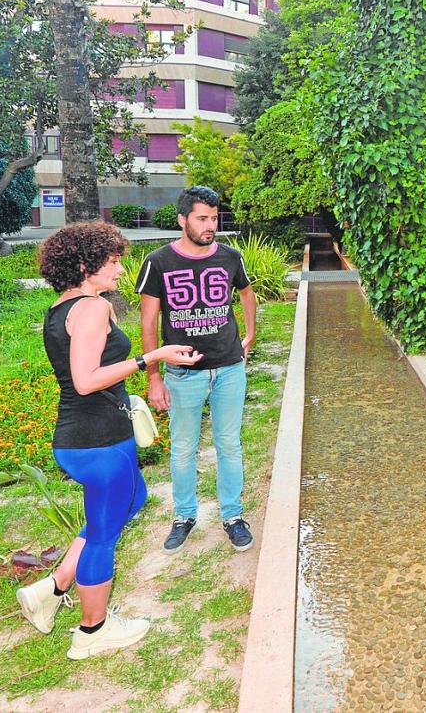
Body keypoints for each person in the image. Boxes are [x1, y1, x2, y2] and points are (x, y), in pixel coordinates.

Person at [17, 221, 202, 659]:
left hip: (97, 432)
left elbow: (94, 373)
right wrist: (150, 358)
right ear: (85, 264)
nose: (121, 269)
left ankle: (56, 586)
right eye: (114, 261)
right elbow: (85, 380)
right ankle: (92, 630)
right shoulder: (93, 309)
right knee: (102, 534)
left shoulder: (66, 306)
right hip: (94, 438)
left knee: (131, 501)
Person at [134, 186, 257, 554]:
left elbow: (247, 293)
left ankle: (233, 516)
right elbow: (148, 323)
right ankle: (184, 516)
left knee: (229, 444)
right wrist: (154, 376)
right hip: (183, 374)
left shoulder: (230, 257)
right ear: (182, 219)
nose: (210, 226)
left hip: (229, 370)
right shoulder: (159, 262)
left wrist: (249, 336)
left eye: (215, 218)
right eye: (202, 218)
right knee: (184, 448)